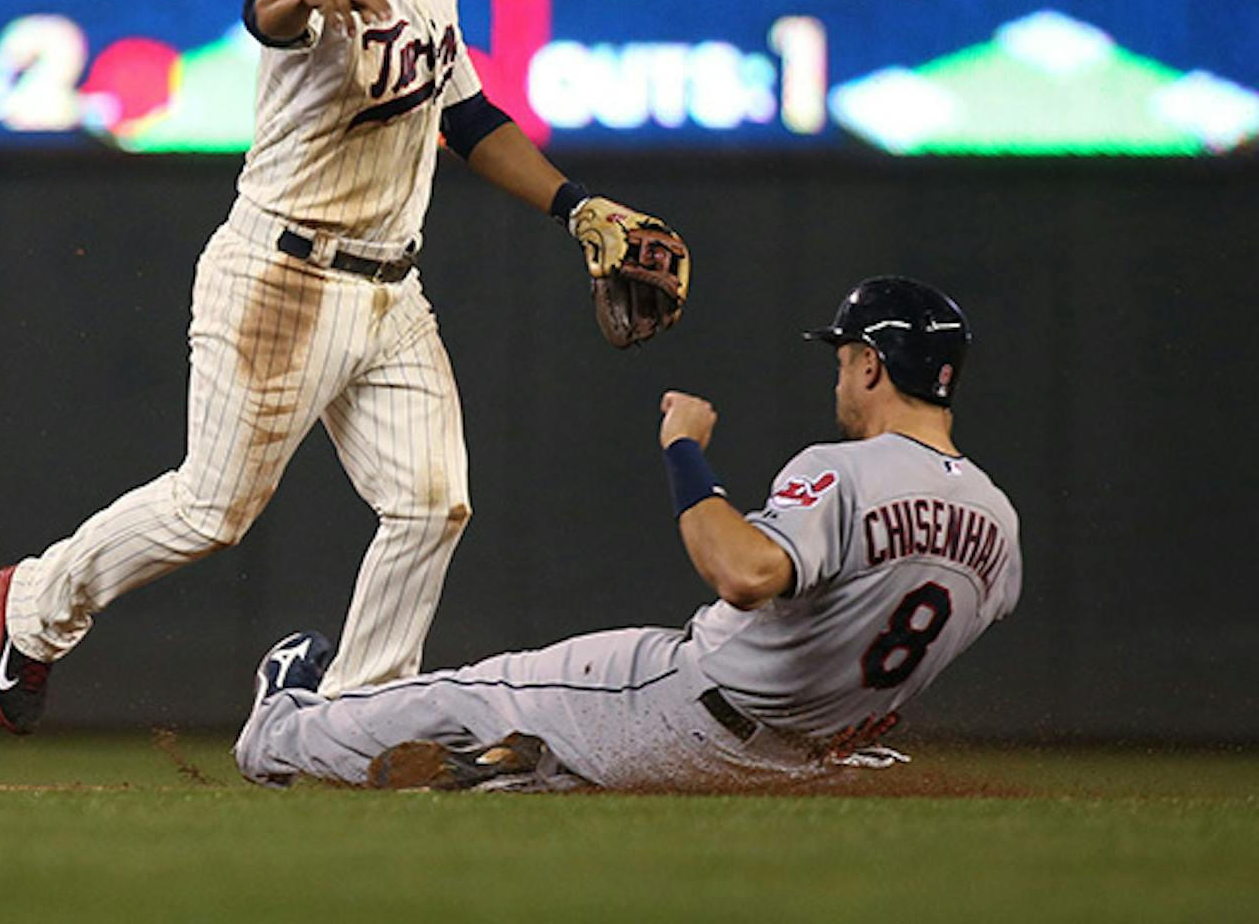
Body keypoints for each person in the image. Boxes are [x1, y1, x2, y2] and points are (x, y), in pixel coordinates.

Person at [0, 0, 688, 733]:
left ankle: (354, 717)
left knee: (433, 505)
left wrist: (577, 206)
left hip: (392, 289)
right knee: (210, 511)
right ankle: (36, 602)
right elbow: (267, 10)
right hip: (283, 277)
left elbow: (469, 119)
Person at [235, 277, 1021, 792]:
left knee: (474, 692)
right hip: (806, 760)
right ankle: (516, 770)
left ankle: (279, 732)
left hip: (696, 706)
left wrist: (685, 450)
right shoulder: (999, 524)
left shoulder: (843, 470)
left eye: (846, 359)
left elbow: (744, 572)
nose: (841, 376)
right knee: (564, 733)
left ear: (873, 365)